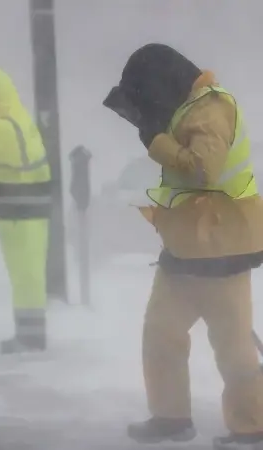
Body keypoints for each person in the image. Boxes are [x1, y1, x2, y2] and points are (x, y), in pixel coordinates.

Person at [103, 43, 263, 449]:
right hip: (185, 250)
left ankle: (252, 425)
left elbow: (201, 171)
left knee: (233, 347)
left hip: (222, 249)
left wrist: (157, 140)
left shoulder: (211, 109)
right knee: (160, 335)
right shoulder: (184, 112)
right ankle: (170, 417)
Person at [0, 69, 53, 354]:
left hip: (18, 211)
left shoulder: (1, 128)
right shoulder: (21, 120)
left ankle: (29, 338)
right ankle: (31, 334)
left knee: (24, 277)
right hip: (32, 208)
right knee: (28, 276)